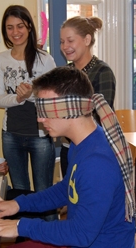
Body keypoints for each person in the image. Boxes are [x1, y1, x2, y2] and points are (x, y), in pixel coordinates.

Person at [0, 67, 135, 248]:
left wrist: (20, 226)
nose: (40, 119)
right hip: (78, 247)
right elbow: (67, 189)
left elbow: (81, 234)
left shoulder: (98, 162)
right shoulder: (80, 143)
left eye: (45, 111)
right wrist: (18, 205)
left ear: (70, 109)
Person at [0, 5, 56, 192]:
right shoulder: (2, 59)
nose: (15, 32)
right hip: (10, 134)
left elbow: (52, 101)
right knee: (20, 192)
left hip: (40, 135)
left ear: (29, 26)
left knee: (44, 192)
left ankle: (47, 223)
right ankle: (21, 224)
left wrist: (31, 95)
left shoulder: (45, 59)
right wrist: (19, 99)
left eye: (20, 26)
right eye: (9, 27)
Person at [60, 16, 116, 177]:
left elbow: (101, 116)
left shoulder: (102, 72)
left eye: (70, 40)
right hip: (67, 148)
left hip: (92, 150)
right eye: (62, 41)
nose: (65, 46)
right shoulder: (64, 73)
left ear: (87, 39)